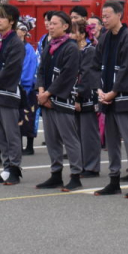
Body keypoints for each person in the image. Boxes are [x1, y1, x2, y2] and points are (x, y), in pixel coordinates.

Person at [95, 1, 128, 198]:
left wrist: (113, 91)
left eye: (107, 16)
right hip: (107, 95)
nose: (104, 20)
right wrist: (99, 89)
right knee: (112, 140)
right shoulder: (105, 38)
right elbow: (95, 63)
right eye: (103, 16)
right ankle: (113, 180)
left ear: (119, 15)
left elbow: (127, 67)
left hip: (124, 96)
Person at [34, 11, 82, 190]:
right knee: (51, 139)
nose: (50, 26)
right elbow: (40, 71)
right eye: (49, 23)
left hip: (62, 100)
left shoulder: (71, 47)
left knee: (69, 139)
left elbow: (68, 75)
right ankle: (55, 174)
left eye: (54, 24)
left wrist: (48, 94)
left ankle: (76, 175)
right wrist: (41, 92)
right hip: (46, 100)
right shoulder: (48, 45)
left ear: (65, 26)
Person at [0, 4, 26, 185]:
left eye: (2, 17)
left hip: (8, 93)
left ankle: (15, 169)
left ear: (11, 21)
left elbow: (12, 68)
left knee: (11, 133)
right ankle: (6, 167)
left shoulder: (16, 43)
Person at [72, 20, 102, 180]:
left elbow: (87, 75)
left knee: (88, 132)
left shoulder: (90, 51)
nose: (70, 35)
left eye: (73, 31)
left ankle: (91, 166)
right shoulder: (75, 50)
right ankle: (82, 164)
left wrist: (78, 95)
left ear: (82, 34)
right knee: (77, 133)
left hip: (87, 96)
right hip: (75, 96)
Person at [18, 21, 40, 156]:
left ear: (25, 31)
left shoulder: (28, 49)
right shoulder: (13, 47)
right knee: (17, 117)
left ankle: (30, 146)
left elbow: (28, 70)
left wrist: (22, 84)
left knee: (29, 116)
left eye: (19, 28)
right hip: (15, 87)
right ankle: (18, 145)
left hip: (27, 88)